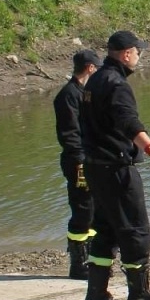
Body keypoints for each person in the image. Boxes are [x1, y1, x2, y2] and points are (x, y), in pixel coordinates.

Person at [78, 31, 150, 300]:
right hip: (116, 168)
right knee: (136, 231)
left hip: (96, 167)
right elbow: (128, 122)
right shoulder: (116, 84)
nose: (139, 56)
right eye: (138, 52)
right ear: (125, 54)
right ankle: (140, 295)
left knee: (106, 230)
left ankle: (97, 296)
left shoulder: (94, 80)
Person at [55, 48, 102, 280]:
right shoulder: (68, 95)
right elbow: (70, 134)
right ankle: (79, 264)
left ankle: (92, 257)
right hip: (78, 162)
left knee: (93, 209)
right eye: (97, 69)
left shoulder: (85, 93)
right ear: (90, 68)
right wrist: (81, 162)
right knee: (82, 209)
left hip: (90, 158)